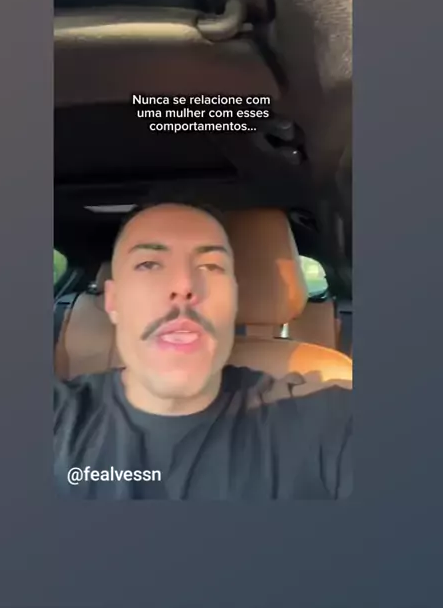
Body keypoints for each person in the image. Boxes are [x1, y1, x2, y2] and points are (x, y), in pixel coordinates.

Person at [54, 203, 352, 499]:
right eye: (149, 264)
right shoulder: (58, 418)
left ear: (235, 297)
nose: (184, 285)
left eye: (211, 266)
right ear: (113, 301)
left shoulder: (324, 418)